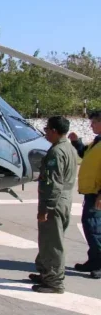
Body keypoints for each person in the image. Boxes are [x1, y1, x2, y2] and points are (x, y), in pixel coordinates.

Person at [29, 116, 79, 294]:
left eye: (47, 129)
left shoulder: (57, 152)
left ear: (55, 131)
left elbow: (53, 184)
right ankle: (46, 272)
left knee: (53, 242)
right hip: (63, 199)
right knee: (50, 240)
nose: (46, 133)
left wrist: (45, 209)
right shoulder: (69, 148)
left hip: (55, 202)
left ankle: (54, 282)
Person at [69, 110, 101, 279]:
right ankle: (94, 260)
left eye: (95, 122)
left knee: (95, 228)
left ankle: (99, 263)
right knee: (90, 226)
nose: (91, 125)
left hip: (97, 194)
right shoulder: (97, 142)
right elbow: (84, 154)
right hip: (91, 193)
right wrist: (76, 143)